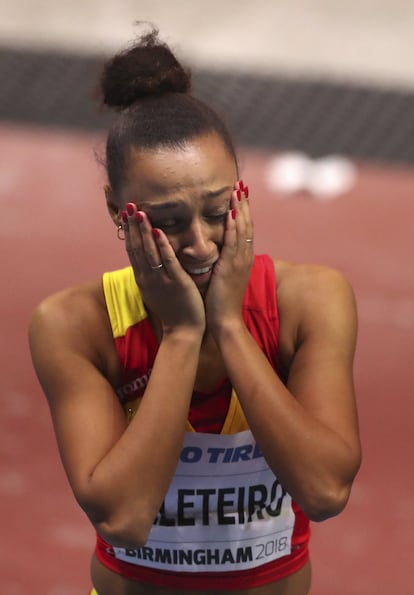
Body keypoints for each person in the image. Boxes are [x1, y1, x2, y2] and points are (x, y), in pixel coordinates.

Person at [28, 26, 361, 595]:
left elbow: (325, 492)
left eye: (217, 210)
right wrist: (183, 334)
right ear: (117, 210)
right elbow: (126, 520)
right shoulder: (76, 327)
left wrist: (229, 325)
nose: (202, 245)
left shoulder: (310, 301)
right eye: (169, 221)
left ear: (242, 193)